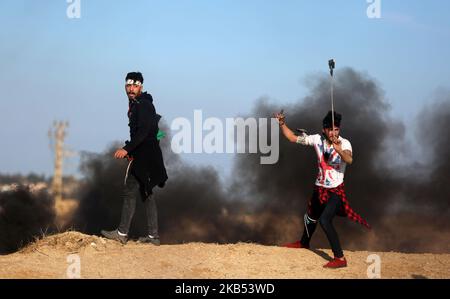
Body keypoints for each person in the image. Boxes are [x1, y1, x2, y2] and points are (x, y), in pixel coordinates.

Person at [274, 110, 370, 268]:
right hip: (319, 188)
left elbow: (349, 159)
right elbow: (291, 137)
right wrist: (282, 123)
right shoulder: (316, 139)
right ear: (324, 130)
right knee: (310, 216)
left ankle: (340, 258)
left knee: (325, 220)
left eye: (337, 129)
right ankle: (304, 243)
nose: (334, 132)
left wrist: (338, 149)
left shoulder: (344, 143)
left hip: (335, 191)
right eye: (331, 129)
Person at [101, 72, 168, 245]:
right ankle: (153, 237)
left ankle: (122, 234)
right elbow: (153, 132)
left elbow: (144, 132)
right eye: (128, 86)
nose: (131, 89)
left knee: (131, 191)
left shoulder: (143, 105)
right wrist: (133, 149)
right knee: (146, 193)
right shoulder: (137, 104)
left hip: (144, 155)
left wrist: (127, 149)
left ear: (141, 87)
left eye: (135, 86)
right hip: (146, 153)